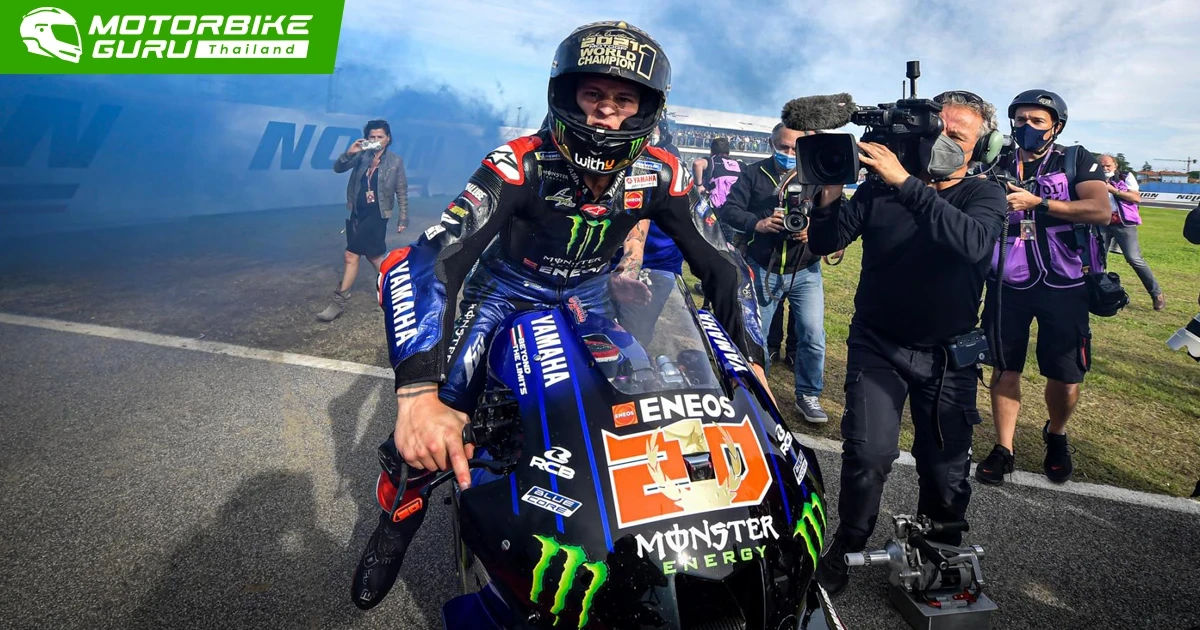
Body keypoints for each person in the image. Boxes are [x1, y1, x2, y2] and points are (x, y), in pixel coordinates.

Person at [349, 21, 768, 610]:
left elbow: (726, 266)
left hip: (589, 300)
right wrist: (418, 393)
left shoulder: (664, 173)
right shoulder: (516, 163)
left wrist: (749, 365)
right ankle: (398, 519)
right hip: (504, 296)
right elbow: (429, 259)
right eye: (593, 94)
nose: (606, 111)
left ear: (647, 108)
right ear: (566, 95)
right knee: (437, 420)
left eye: (623, 99)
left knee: (645, 401)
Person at [807, 91, 1008, 595]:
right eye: (938, 130)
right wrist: (828, 192)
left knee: (945, 467)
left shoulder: (984, 195)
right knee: (868, 454)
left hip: (948, 355)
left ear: (981, 148)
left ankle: (939, 548)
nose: (943, 141)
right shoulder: (880, 190)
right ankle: (848, 543)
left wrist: (905, 182)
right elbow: (826, 242)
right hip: (879, 345)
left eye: (957, 136)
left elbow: (972, 244)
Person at [975, 90, 1112, 487]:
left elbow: (1100, 210)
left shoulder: (1076, 159)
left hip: (1064, 283)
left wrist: (1040, 204)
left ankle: (1056, 433)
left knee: (1066, 377)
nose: (1027, 127)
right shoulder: (995, 160)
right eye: (1021, 120)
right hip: (1006, 281)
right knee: (1005, 367)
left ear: (1056, 126)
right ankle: (1004, 448)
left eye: (1037, 121)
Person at [718, 122, 831, 423]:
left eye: (795, 148)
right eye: (783, 147)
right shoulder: (753, 173)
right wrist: (757, 223)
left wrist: (814, 230)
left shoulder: (816, 175)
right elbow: (729, 209)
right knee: (757, 335)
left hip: (805, 269)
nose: (789, 153)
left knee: (812, 334)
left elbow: (835, 213)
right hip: (762, 267)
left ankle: (809, 395)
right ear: (772, 144)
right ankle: (760, 392)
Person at [317, 119, 408, 322]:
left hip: (378, 214)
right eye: (372, 136)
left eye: (380, 136)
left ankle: (339, 301)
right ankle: (396, 292)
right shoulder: (361, 155)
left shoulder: (395, 161)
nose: (376, 140)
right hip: (358, 212)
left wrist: (403, 217)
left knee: (351, 255)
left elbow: (401, 190)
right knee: (374, 257)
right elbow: (338, 168)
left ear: (388, 138)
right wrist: (349, 153)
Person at [1098, 153, 1165, 310]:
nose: (1105, 168)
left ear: (1115, 166)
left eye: (1108, 165)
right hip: (1101, 222)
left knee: (1134, 258)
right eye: (1101, 166)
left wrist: (1113, 190)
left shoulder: (1125, 176)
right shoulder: (1093, 179)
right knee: (1098, 259)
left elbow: (1136, 198)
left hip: (1123, 223)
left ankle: (1156, 294)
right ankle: (1099, 294)